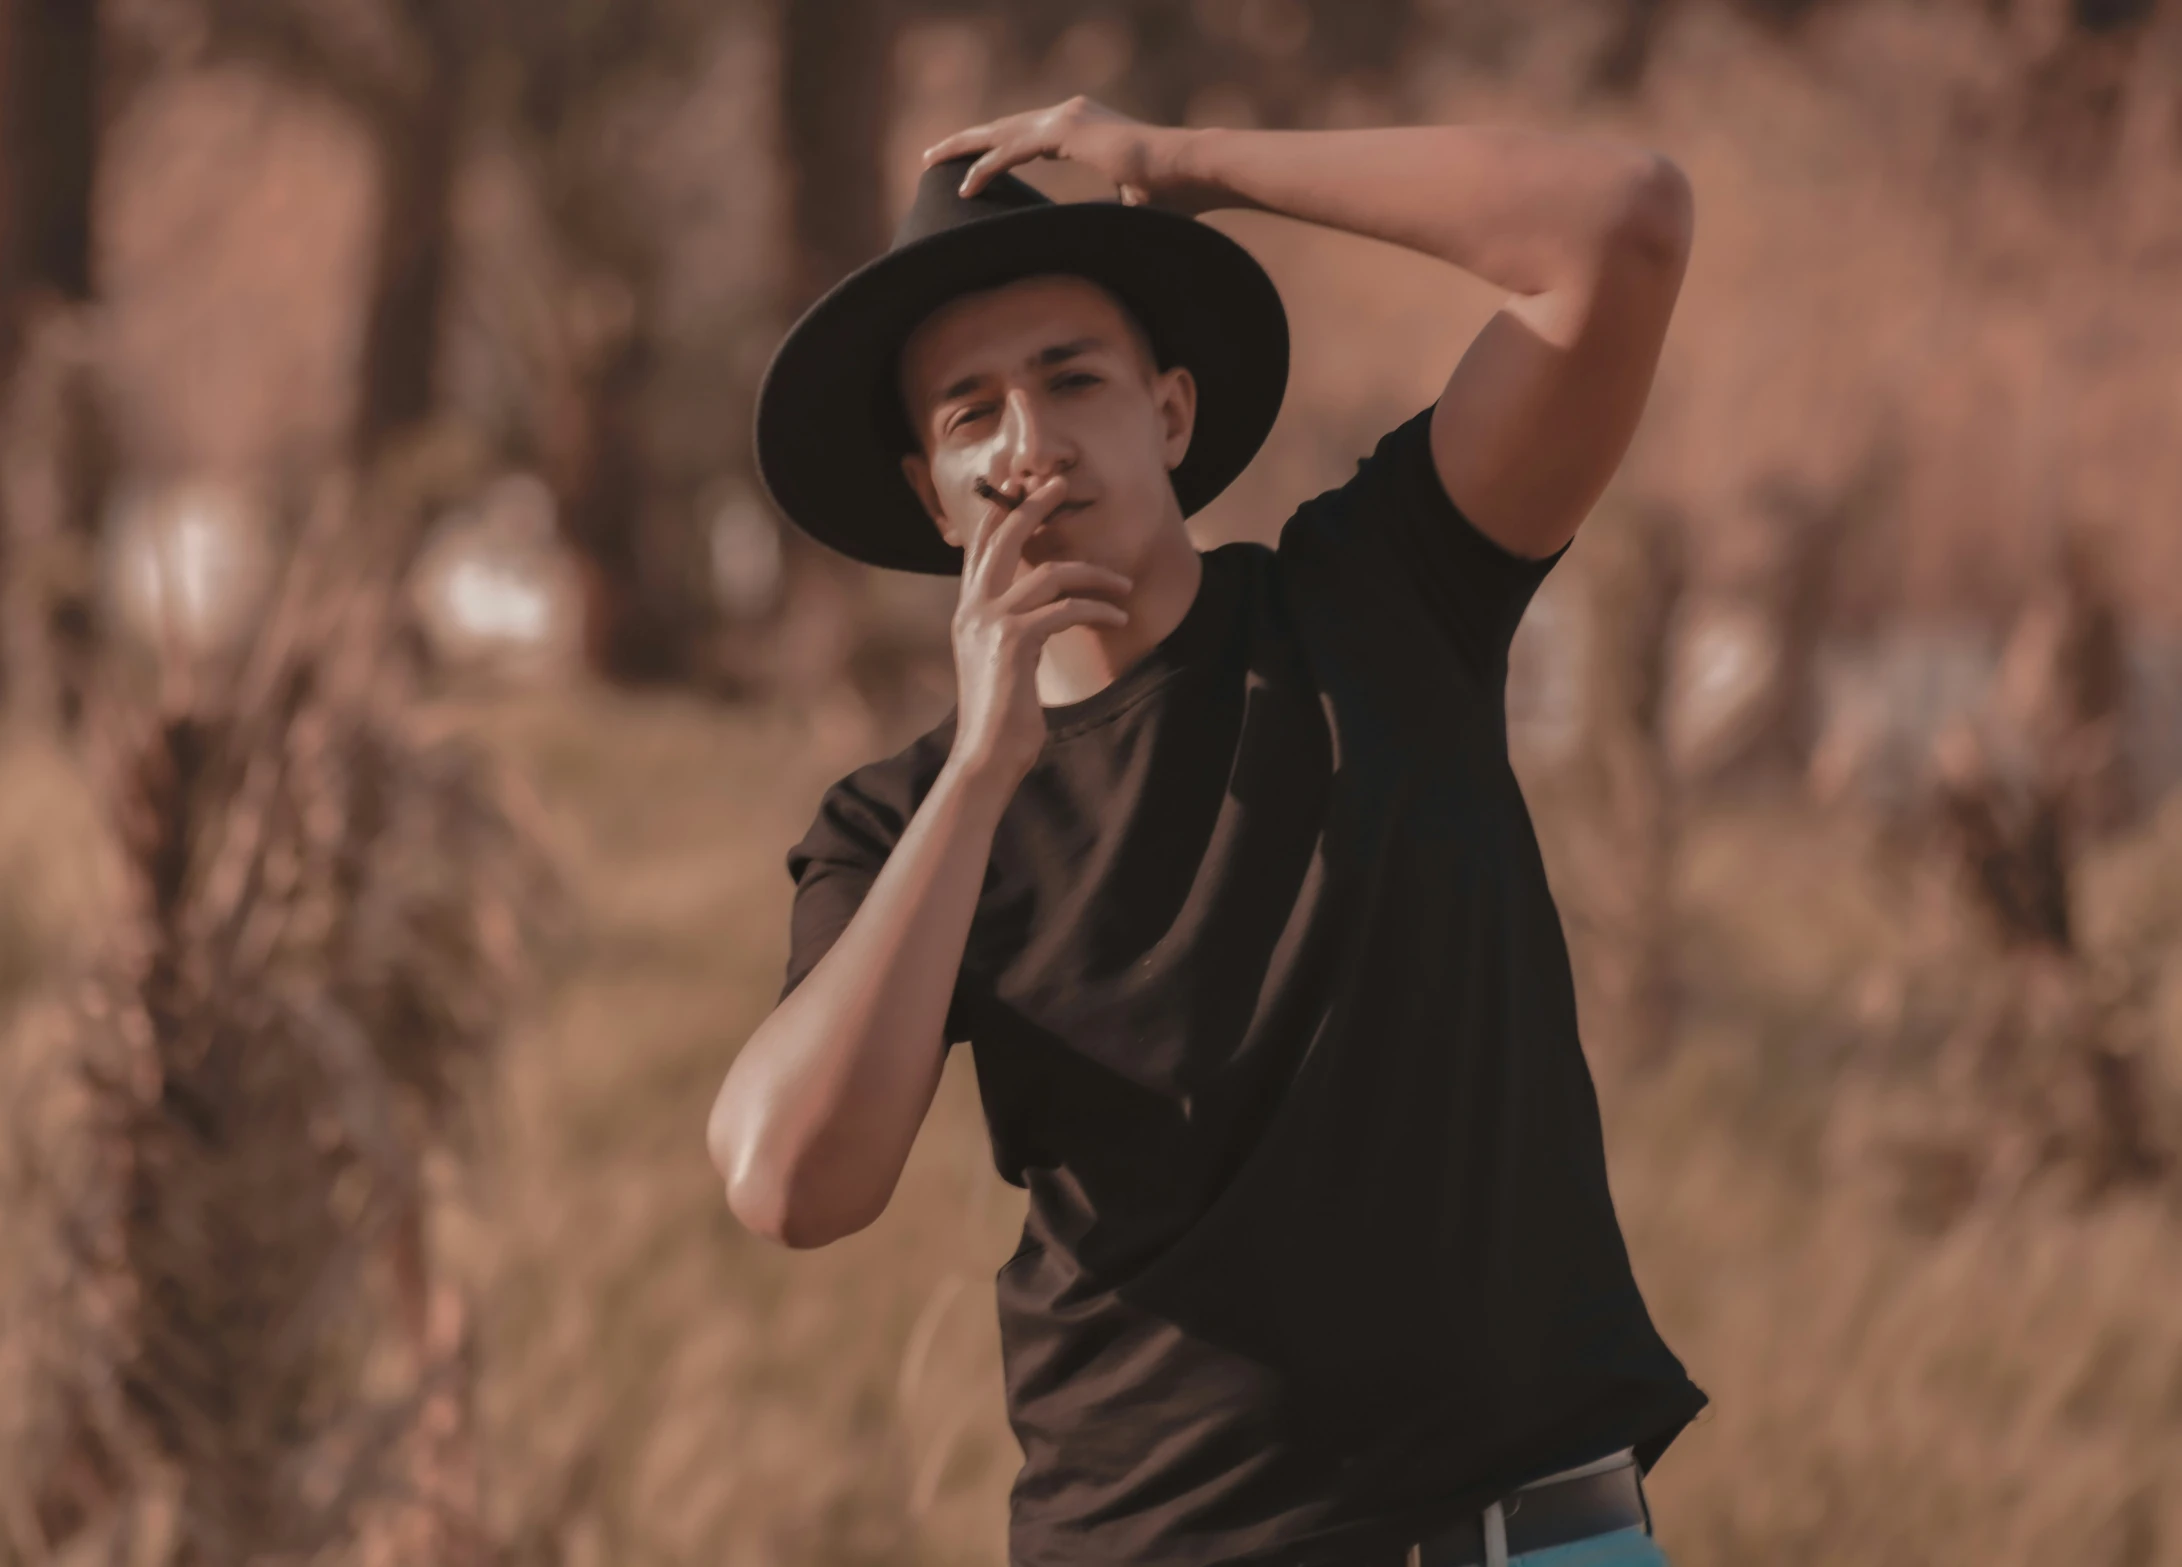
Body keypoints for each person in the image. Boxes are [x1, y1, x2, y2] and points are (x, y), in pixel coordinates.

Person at [707, 96, 1706, 1567]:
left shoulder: (1382, 600)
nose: (1029, 445)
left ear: (1168, 412)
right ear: (932, 495)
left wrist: (1192, 168)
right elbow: (786, 1181)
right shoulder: (900, 822)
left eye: (1072, 380)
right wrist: (985, 766)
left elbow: (1621, 224)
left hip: (1535, 1540)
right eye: (971, 415)